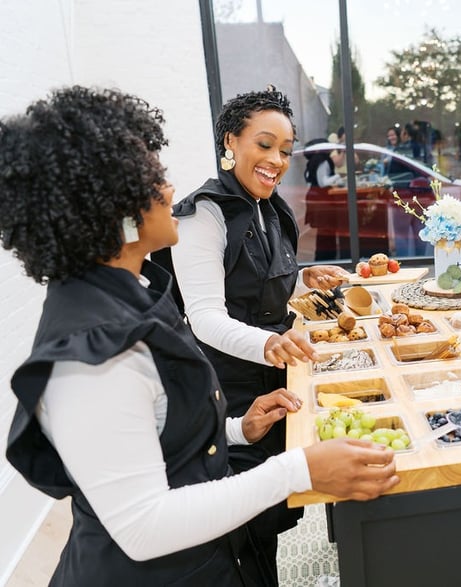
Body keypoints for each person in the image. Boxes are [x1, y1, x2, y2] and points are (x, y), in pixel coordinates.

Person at [0, 86, 399, 586]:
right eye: (154, 178)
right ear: (111, 209)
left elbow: (168, 442)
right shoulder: (91, 357)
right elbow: (143, 526)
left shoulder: (137, 293)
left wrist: (238, 429)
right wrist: (299, 471)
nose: (171, 191)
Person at [168, 88, 358, 583]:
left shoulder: (267, 206)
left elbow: (257, 277)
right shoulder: (202, 214)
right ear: (231, 141)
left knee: (266, 515)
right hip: (229, 388)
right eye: (265, 144)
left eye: (286, 150)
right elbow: (205, 316)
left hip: (272, 379)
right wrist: (271, 344)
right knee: (242, 528)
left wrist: (304, 277)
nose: (277, 160)